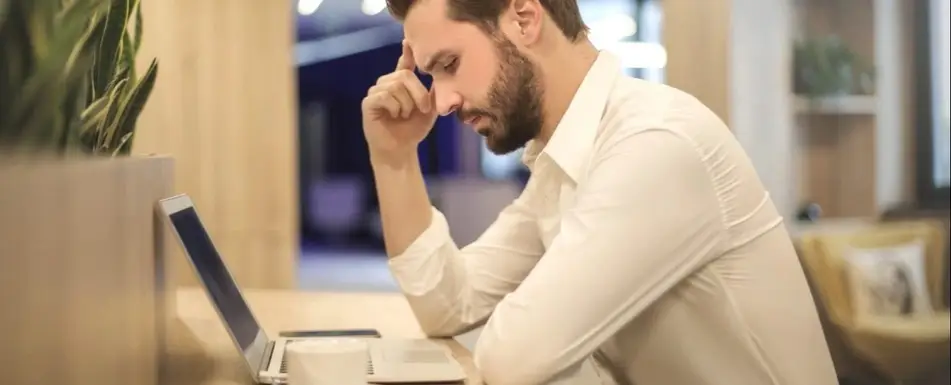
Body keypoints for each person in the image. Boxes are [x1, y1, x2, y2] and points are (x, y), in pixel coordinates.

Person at [360, 0, 839, 384]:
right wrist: (395, 158)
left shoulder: (655, 143)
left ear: (524, 18)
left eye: (449, 64)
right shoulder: (564, 160)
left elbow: (515, 361)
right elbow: (448, 305)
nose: (441, 101)